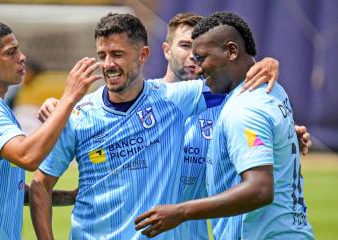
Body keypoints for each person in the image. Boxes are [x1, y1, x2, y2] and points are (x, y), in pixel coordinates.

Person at [30, 13, 213, 239]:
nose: (108, 64)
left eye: (117, 54)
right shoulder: (78, 114)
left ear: (143, 55)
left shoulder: (172, 99)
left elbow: (235, 83)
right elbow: (40, 184)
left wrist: (265, 66)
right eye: (102, 55)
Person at [134, 12, 315, 240]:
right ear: (166, 50)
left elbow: (259, 188)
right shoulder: (270, 89)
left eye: (201, 56)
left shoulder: (241, 107)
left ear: (231, 51)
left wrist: (180, 212)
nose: (197, 66)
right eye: (185, 47)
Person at [0, 20, 101, 239]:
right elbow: (28, 156)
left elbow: (11, 190)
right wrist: (69, 97)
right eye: (11, 52)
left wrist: (69, 197)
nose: (22, 57)